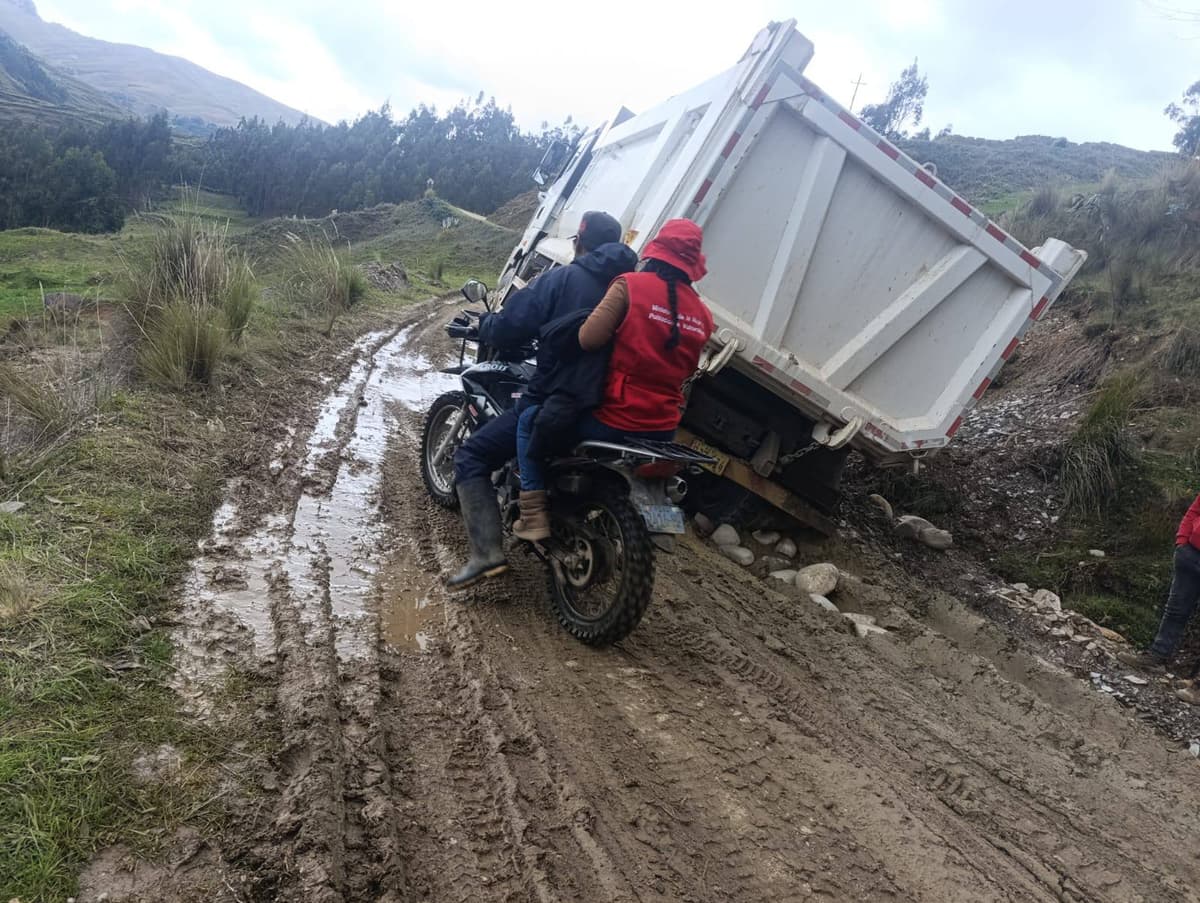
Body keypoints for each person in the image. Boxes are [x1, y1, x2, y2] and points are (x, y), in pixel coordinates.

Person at [447, 211, 637, 589]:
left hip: (557, 397)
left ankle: (486, 555)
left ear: (580, 242)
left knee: (471, 456)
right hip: (610, 408)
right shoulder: (632, 286)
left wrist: (485, 325)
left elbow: (512, 325)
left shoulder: (563, 279)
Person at [512, 218, 715, 541]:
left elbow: (588, 339)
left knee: (528, 421)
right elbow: (686, 368)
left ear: (656, 251)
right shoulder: (703, 316)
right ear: (693, 263)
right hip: (661, 429)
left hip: (613, 416)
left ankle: (534, 513)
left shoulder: (629, 286)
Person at [1118, 492, 1200, 701]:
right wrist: (1182, 542)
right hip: (1191, 554)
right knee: (1175, 609)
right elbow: (1194, 510)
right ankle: (1157, 657)